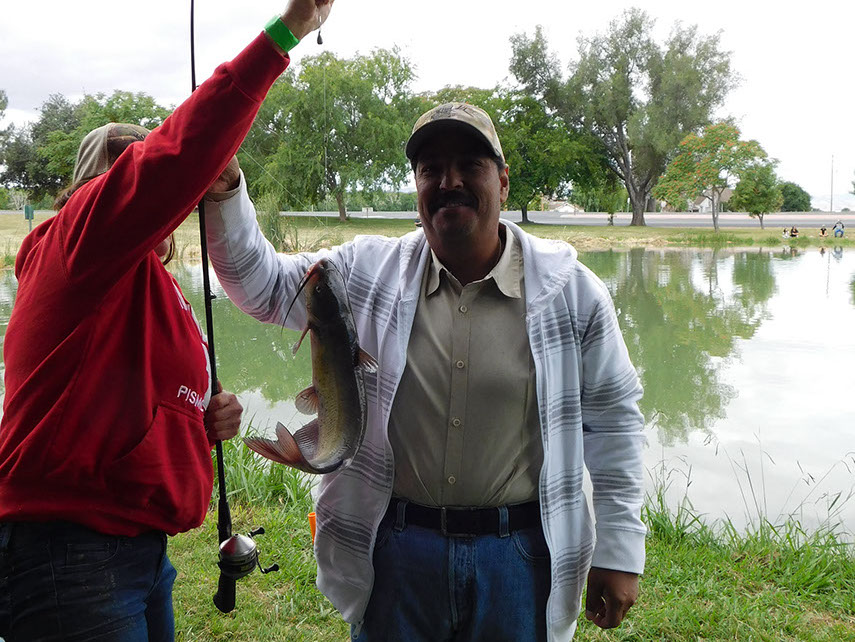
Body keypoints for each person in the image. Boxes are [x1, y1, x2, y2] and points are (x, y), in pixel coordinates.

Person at [204, 102, 645, 641]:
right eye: (431, 168)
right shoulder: (363, 271)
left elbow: (615, 421)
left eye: (470, 165)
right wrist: (226, 193)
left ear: (503, 183)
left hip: (520, 554)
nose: (448, 181)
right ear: (417, 186)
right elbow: (262, 285)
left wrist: (619, 548)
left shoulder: (572, 292)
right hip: (395, 548)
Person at [0, 1, 332, 639]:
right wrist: (285, 32)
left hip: (140, 553)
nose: (148, 194)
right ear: (91, 193)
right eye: (127, 177)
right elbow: (175, 157)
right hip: (70, 553)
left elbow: (130, 402)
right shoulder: (76, 244)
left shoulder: (157, 289)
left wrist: (200, 421)